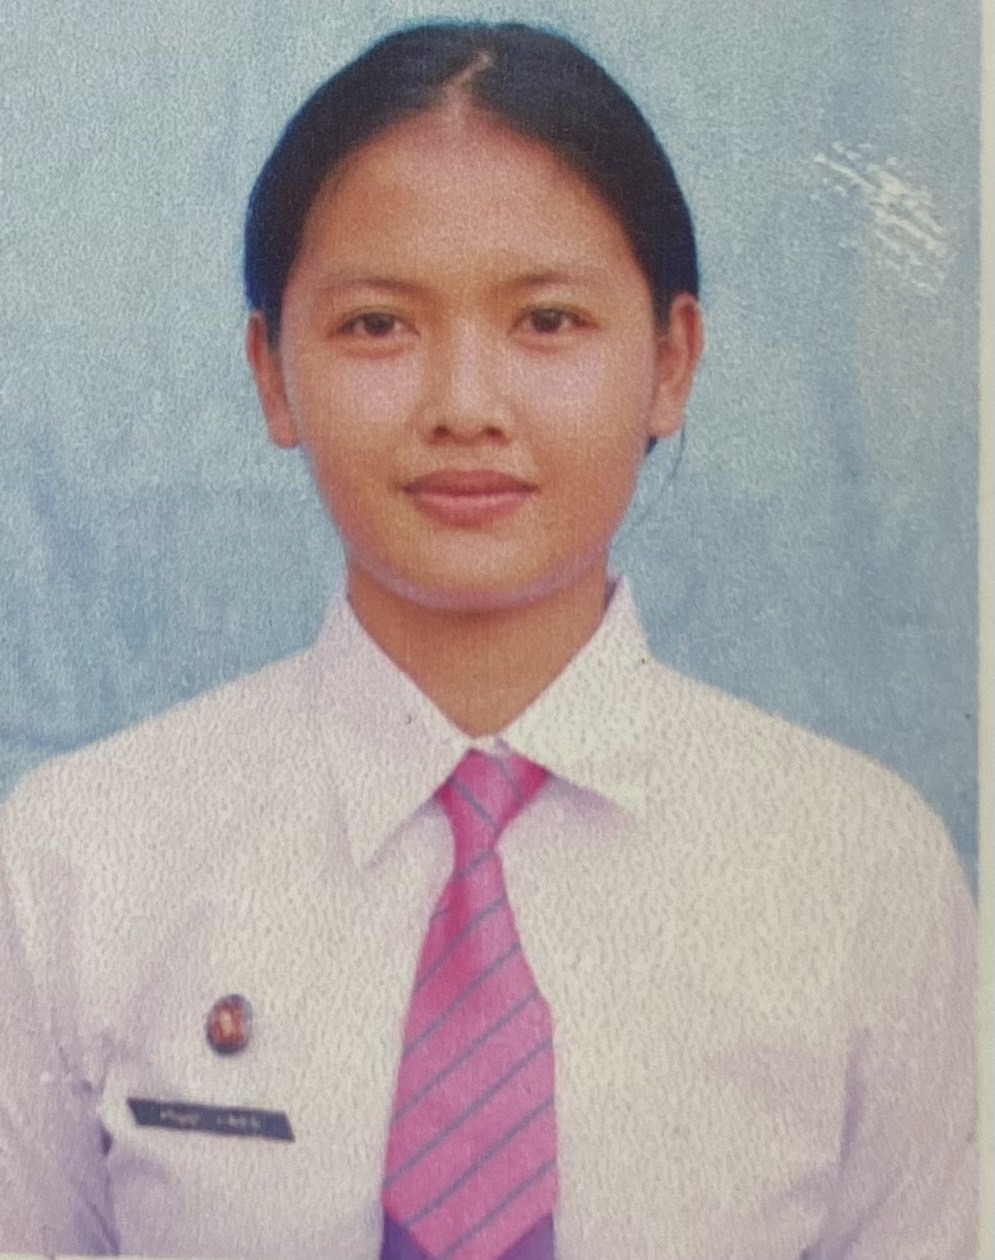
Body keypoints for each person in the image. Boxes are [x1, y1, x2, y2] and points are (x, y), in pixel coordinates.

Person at [0, 20, 976, 1260]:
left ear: (670, 363)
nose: (464, 405)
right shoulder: (79, 856)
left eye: (548, 321)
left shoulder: (857, 871)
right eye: (376, 326)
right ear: (272, 373)